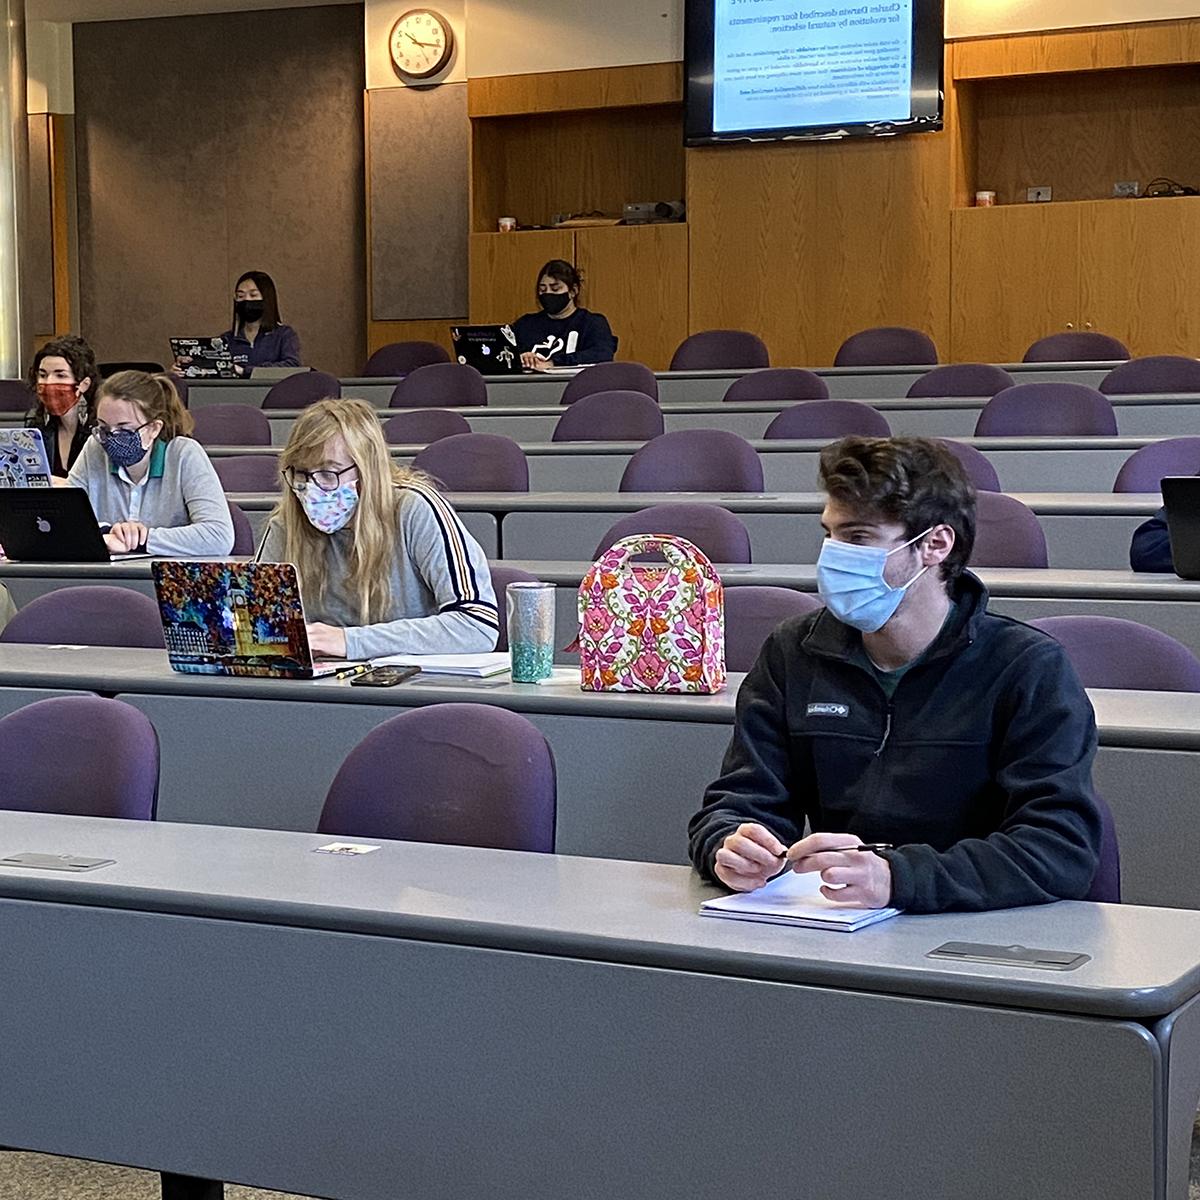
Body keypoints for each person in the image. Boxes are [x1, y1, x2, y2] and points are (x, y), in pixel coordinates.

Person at [689, 436, 1102, 914]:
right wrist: (727, 846)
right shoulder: (792, 652)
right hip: (835, 926)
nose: (833, 556)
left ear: (935, 545)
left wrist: (900, 878)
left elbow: (1061, 847)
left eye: (858, 537)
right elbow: (738, 802)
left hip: (980, 929)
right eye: (830, 534)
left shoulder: (1027, 668)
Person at [257, 398, 498, 659]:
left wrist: (351, 642)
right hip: (320, 690)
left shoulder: (414, 509)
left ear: (367, 471)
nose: (312, 488)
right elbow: (252, 626)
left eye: (329, 472)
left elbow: (477, 624)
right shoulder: (286, 523)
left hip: (410, 689)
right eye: (302, 473)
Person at [68, 371, 234, 558]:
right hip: (105, 578)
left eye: (124, 429)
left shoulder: (184, 454)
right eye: (104, 428)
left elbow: (218, 536)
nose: (111, 437)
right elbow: (62, 518)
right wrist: (106, 533)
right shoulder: (95, 447)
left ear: (154, 428)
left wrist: (142, 539)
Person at [175, 271, 301, 378]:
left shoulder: (284, 335)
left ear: (267, 298)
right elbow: (213, 368)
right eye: (240, 296)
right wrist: (186, 366)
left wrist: (244, 370)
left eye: (253, 295)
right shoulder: (226, 339)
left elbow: (291, 366)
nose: (246, 300)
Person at [513, 260, 617, 372]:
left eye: (555, 289)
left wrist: (553, 363)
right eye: (542, 290)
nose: (548, 293)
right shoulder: (525, 325)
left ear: (573, 291)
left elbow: (602, 354)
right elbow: (502, 355)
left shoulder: (592, 323)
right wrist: (521, 359)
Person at [25, 333, 99, 478]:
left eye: (60, 375)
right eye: (43, 375)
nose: (48, 382)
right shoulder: (35, 426)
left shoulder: (99, 429)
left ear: (83, 384)